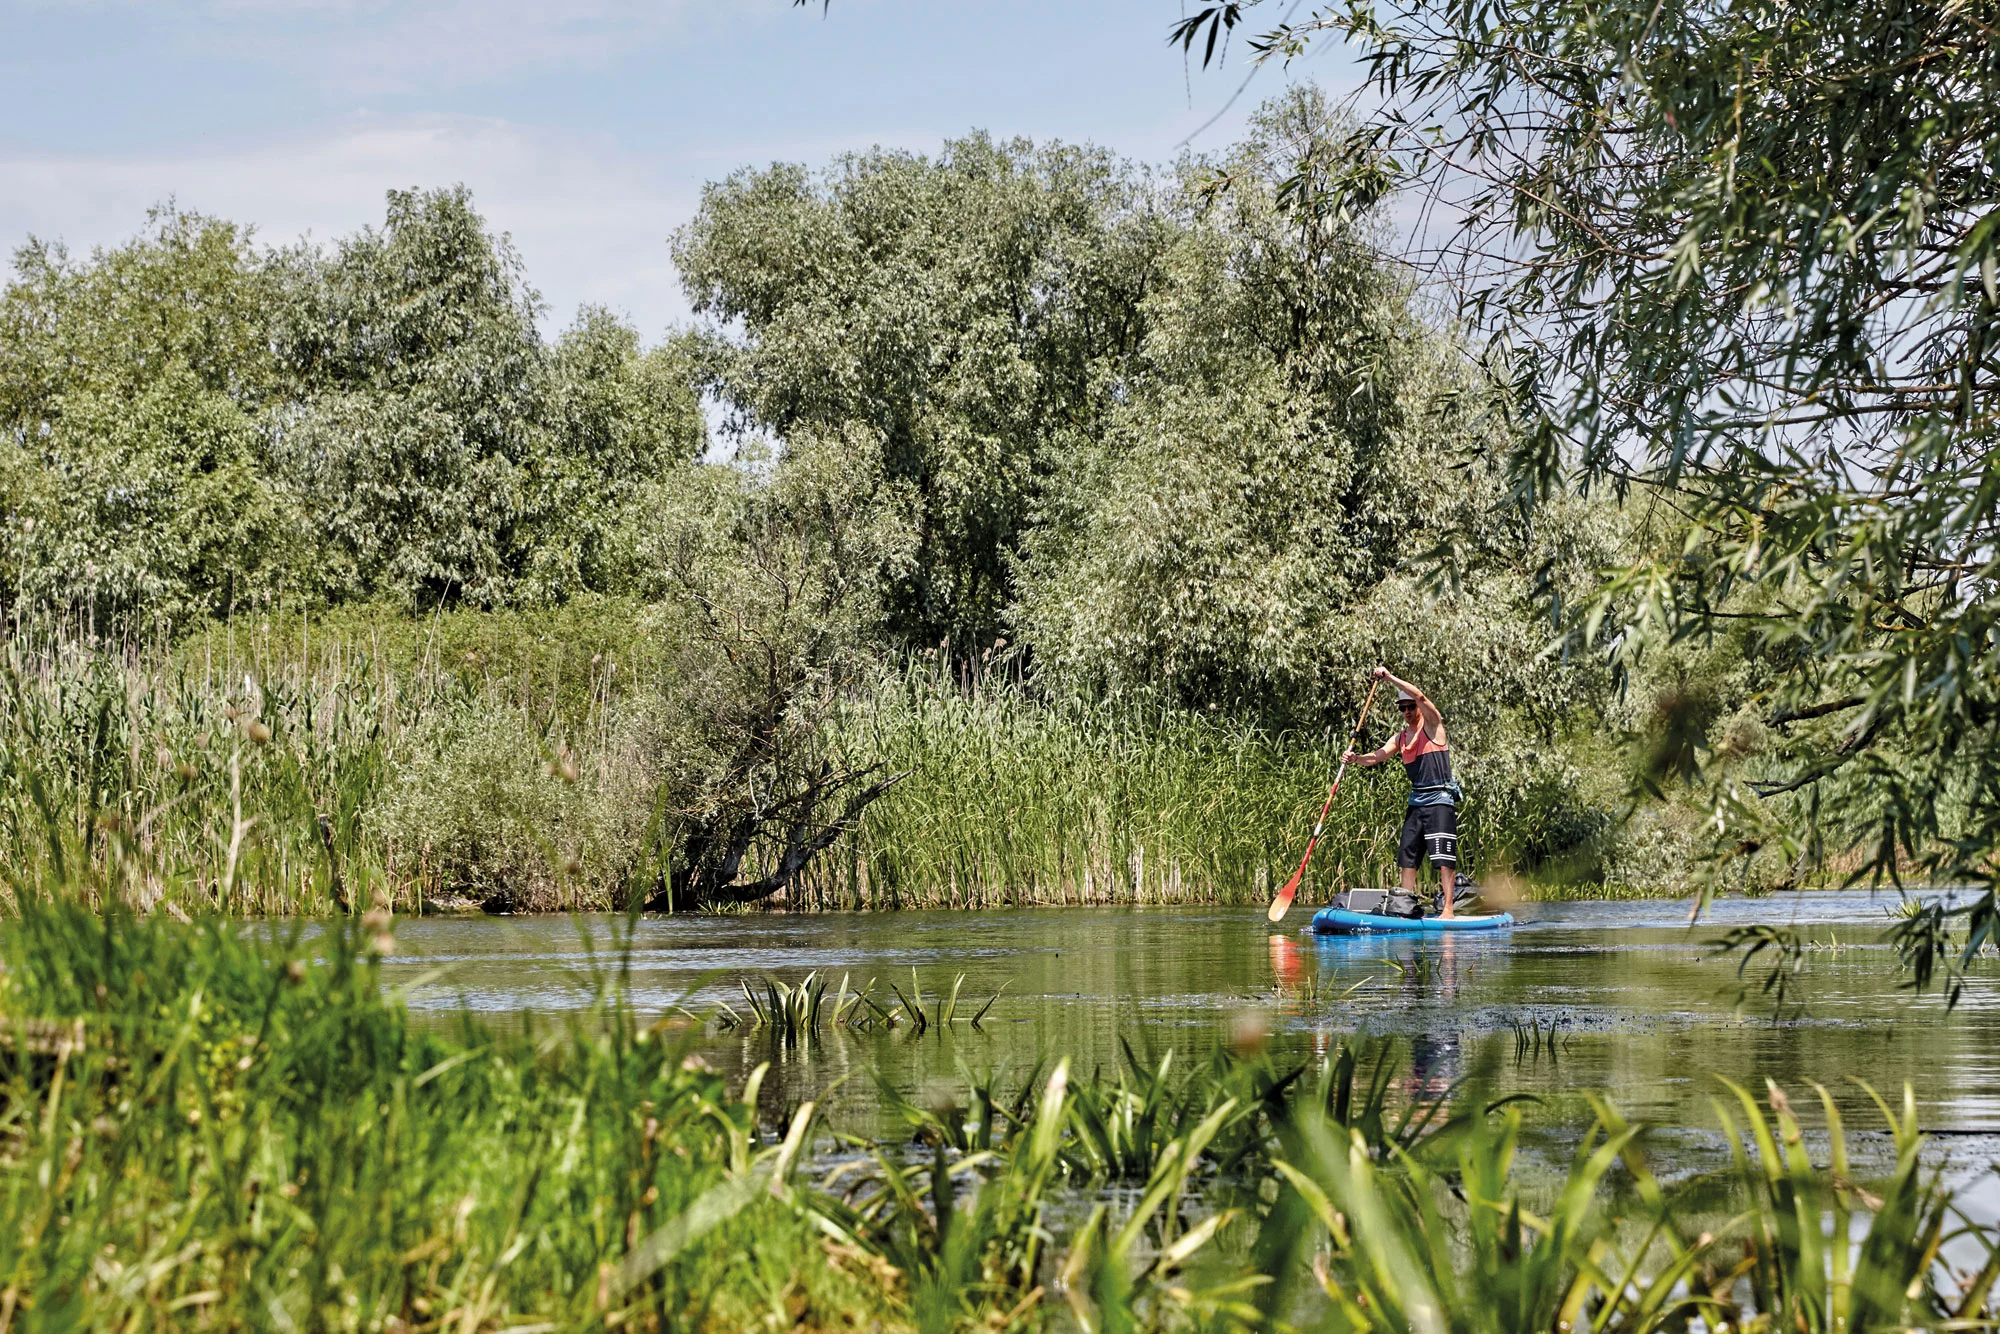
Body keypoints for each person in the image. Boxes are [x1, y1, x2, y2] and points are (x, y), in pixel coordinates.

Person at [1342, 666, 1460, 917]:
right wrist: (1356, 759)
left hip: (1440, 799)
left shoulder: (1432, 725)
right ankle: (1405, 907)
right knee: (1407, 854)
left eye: (1410, 707)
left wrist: (1390, 679)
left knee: (1443, 858)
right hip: (1417, 801)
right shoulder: (1401, 738)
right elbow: (1378, 757)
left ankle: (1448, 909)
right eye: (1402, 708)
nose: (1407, 711)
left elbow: (1420, 696)